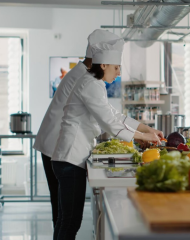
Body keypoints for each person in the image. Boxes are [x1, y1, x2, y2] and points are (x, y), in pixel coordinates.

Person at [33, 29, 162, 232]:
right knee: (69, 220)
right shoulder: (89, 83)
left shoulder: (93, 82)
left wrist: (145, 128)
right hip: (68, 155)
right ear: (103, 64)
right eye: (117, 67)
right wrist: (144, 135)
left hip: (67, 153)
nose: (119, 73)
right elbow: (110, 122)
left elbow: (113, 115)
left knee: (66, 219)